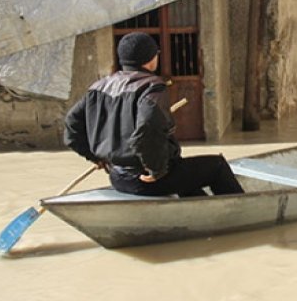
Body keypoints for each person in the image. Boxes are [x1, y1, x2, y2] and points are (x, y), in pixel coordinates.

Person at [64, 32, 244, 197]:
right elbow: (147, 128)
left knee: (188, 179)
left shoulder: (99, 87)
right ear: (150, 59)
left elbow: (72, 125)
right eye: (156, 54)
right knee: (217, 166)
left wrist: (95, 157)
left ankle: (203, 216)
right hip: (148, 180)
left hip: (118, 177)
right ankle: (244, 215)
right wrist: (155, 169)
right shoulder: (152, 86)